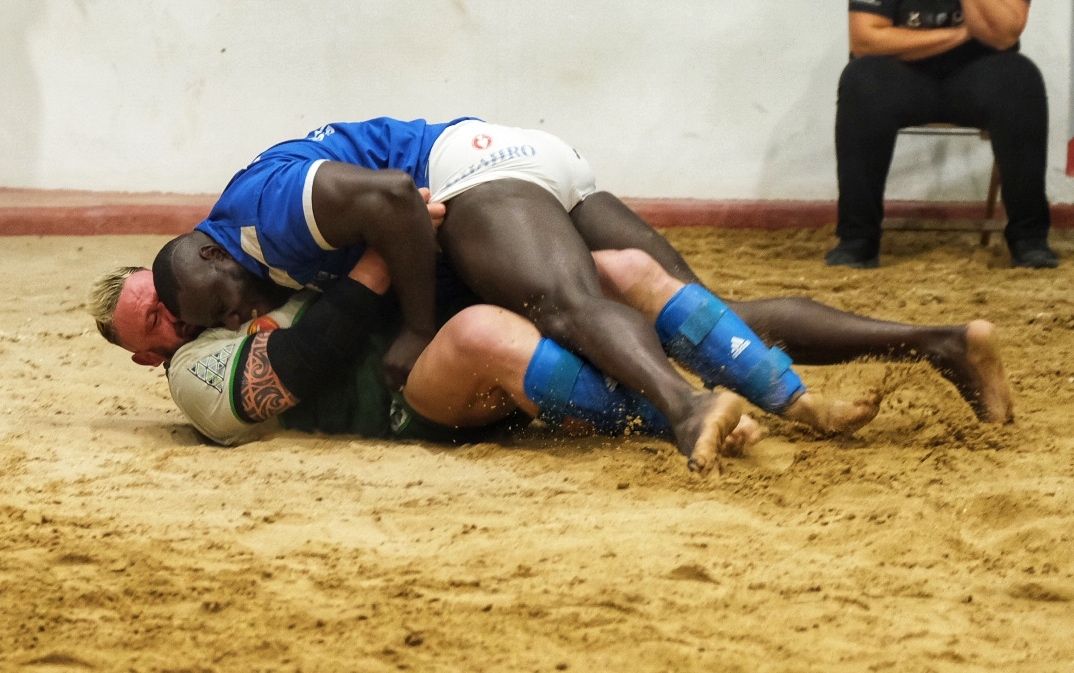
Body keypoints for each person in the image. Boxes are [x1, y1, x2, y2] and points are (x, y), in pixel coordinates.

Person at [149, 118, 881, 471]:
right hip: (513, 155)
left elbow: (396, 198)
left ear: (205, 245)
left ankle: (687, 408)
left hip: (473, 176)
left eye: (200, 304)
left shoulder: (262, 213)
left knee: (564, 310)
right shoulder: (198, 356)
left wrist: (408, 319)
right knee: (669, 299)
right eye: (162, 330)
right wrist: (388, 258)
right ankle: (923, 345)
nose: (230, 315)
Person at [827, 0, 1057, 269]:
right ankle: (857, 240)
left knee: (1021, 79)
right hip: (900, 73)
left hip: (981, 71)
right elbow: (866, 40)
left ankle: (1029, 239)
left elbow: (1004, 35)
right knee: (860, 80)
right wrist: (964, 33)